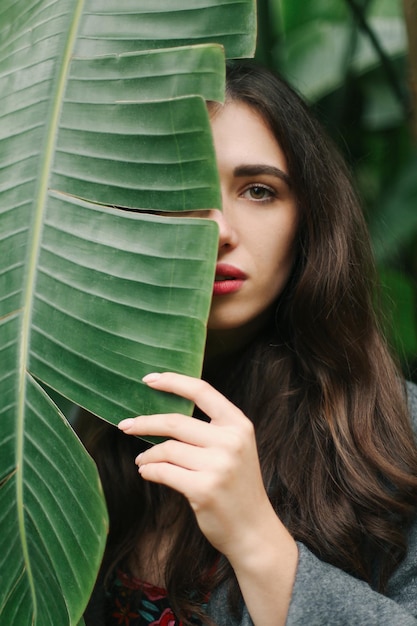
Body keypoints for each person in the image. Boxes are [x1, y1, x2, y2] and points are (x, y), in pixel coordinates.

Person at [77, 60, 417, 626]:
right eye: (185, 190)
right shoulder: (71, 419)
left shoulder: (398, 437)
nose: (220, 228)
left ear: (309, 218)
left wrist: (258, 540)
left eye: (259, 191)